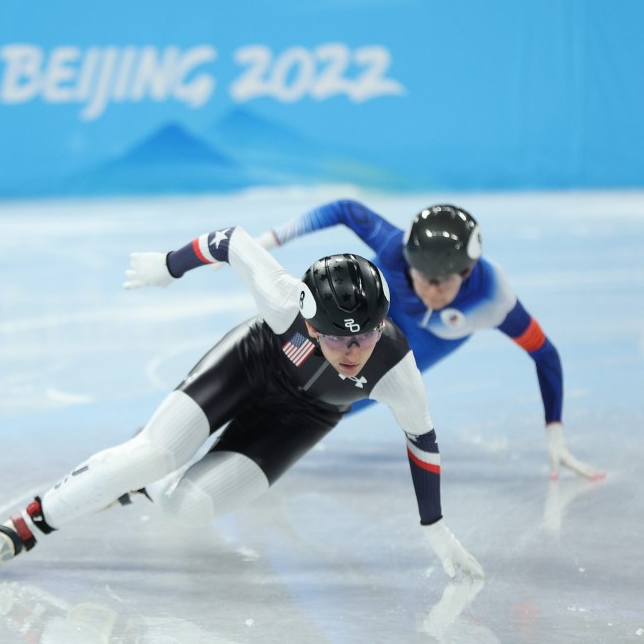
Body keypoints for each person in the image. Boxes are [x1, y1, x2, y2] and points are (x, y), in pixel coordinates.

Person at [0, 227, 483, 581]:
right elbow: (231, 240)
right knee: (151, 454)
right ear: (307, 320)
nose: (352, 353)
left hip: (305, 416)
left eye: (364, 338)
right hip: (250, 364)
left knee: (187, 507)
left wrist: (433, 524)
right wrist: (170, 265)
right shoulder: (283, 300)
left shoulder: (395, 367)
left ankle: (139, 487)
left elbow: (423, 441)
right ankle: (26, 525)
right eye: (336, 338)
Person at [252, 200, 603, 480]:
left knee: (325, 407)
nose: (429, 290)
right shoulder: (393, 249)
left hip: (399, 356)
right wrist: (268, 240)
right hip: (358, 327)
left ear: (466, 272)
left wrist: (555, 432)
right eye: (421, 277)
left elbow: (545, 354)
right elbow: (345, 209)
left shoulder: (494, 297)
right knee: (271, 365)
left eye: (442, 282)